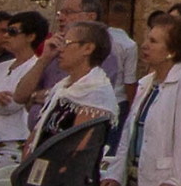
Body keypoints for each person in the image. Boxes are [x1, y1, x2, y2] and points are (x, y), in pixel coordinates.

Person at [104, 12, 181, 186]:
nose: (145, 45)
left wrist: (177, 181)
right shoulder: (146, 84)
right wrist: (115, 173)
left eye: (153, 41)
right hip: (136, 179)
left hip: (165, 185)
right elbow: (129, 132)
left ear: (172, 51)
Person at [31, 21, 120, 155]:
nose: (60, 49)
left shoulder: (95, 93)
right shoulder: (63, 88)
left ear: (88, 48)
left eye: (66, 43)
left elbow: (77, 151)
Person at [0, 9, 48, 167]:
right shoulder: (1, 67)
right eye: (6, 31)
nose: (6, 36)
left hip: (12, 141)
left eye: (13, 32)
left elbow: (12, 104)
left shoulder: (34, 68)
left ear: (30, 36)